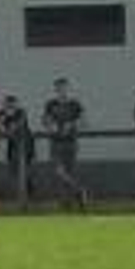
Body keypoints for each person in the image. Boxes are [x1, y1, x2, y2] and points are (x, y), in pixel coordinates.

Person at [41, 78, 87, 209]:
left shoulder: (75, 104)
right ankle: (79, 190)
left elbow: (84, 121)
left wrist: (71, 125)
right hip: (56, 142)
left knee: (70, 171)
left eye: (64, 88)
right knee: (59, 171)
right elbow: (45, 120)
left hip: (71, 142)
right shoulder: (51, 104)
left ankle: (67, 201)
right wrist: (51, 125)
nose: (62, 91)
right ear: (56, 90)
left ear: (68, 89)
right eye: (59, 89)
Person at [0, 95, 34, 200]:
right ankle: (22, 190)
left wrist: (7, 129)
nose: (9, 105)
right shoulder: (3, 114)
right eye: (7, 103)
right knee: (13, 169)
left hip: (25, 143)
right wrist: (2, 124)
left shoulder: (21, 112)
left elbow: (16, 126)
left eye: (11, 103)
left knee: (25, 167)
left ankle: (27, 190)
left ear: (15, 104)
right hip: (12, 144)